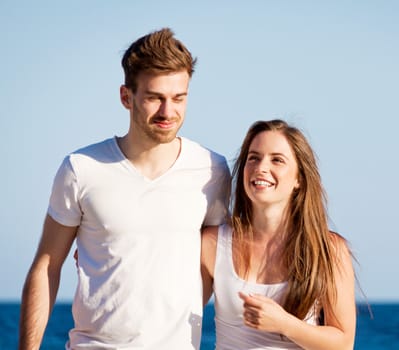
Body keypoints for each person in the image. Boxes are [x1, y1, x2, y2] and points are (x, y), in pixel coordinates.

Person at [19, 28, 230, 349]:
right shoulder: (81, 167)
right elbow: (47, 266)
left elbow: (219, 263)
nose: (167, 111)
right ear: (125, 97)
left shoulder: (211, 170)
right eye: (154, 97)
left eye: (178, 98)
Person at [201, 119, 356, 349]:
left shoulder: (328, 250)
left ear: (299, 180)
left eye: (277, 160)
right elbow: (177, 317)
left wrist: (284, 324)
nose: (261, 167)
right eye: (253, 158)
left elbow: (343, 344)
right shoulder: (212, 243)